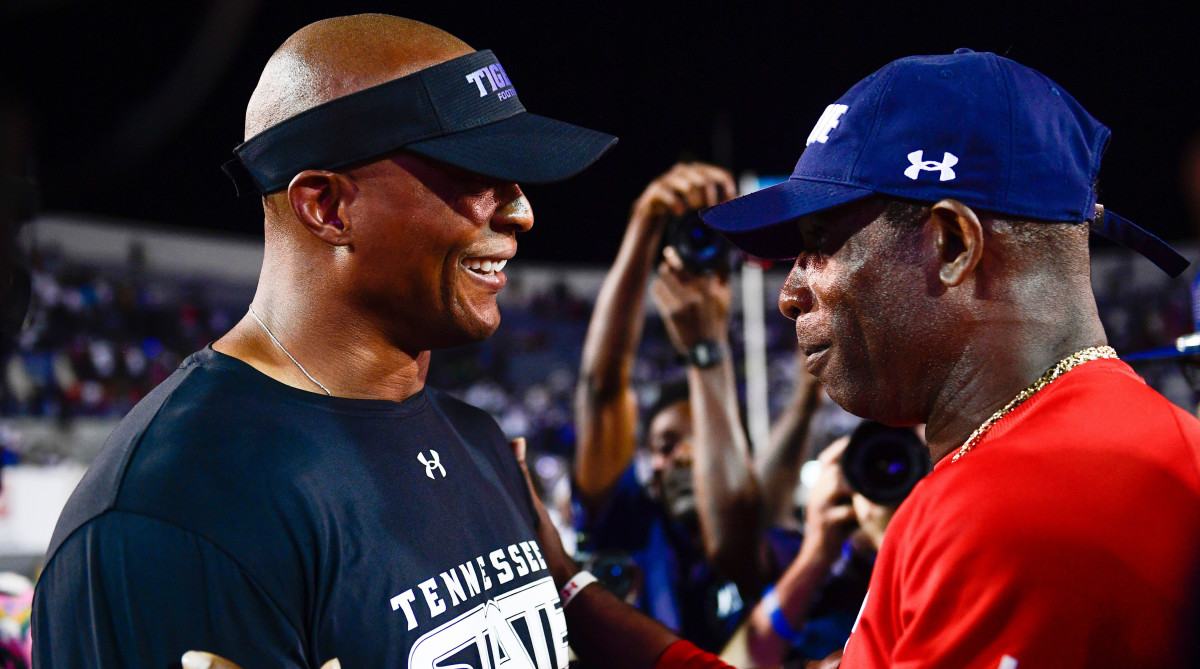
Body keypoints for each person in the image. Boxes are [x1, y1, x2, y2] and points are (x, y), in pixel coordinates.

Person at [521, 49, 1200, 669]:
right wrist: (572, 591)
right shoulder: (1154, 438)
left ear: (953, 244)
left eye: (821, 245)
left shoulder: (1005, 508)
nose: (789, 293)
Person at [31, 14, 617, 668]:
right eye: (476, 171)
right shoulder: (171, 511)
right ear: (328, 207)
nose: (521, 211)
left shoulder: (478, 439)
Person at [573, 162, 761, 651]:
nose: (680, 456)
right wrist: (645, 224)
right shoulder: (629, 521)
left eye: (697, 442)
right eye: (665, 444)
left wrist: (708, 346)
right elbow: (602, 387)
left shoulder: (762, 538)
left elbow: (735, 528)